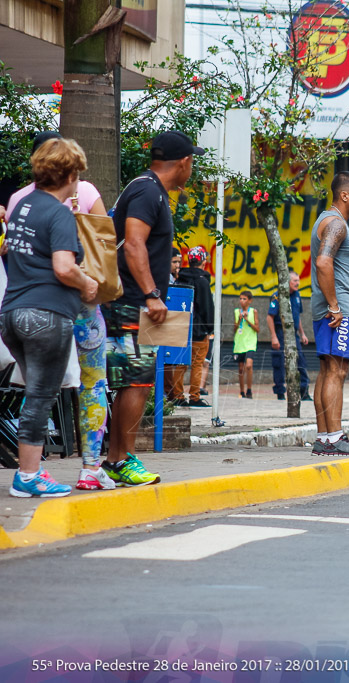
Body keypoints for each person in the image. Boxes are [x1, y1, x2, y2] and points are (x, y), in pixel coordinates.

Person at [7, 132, 115, 491]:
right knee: (69, 387)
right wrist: (88, 285)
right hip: (50, 313)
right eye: (77, 175)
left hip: (13, 312)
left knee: (34, 393)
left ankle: (30, 471)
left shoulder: (20, 203)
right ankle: (37, 474)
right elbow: (66, 265)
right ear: (70, 176)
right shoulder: (61, 211)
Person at [105, 130, 202, 486]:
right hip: (132, 302)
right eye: (193, 162)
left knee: (132, 382)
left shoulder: (145, 187)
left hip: (128, 301)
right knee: (137, 382)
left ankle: (115, 460)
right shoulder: (148, 191)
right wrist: (150, 294)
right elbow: (133, 244)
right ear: (184, 162)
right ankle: (123, 459)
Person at [311, 171, 349, 456]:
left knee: (327, 370)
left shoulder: (328, 221)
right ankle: (335, 438)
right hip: (339, 309)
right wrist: (335, 305)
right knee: (337, 370)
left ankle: (324, 438)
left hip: (330, 307)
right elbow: (324, 263)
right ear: (344, 195)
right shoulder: (336, 224)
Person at [174, 246, 214, 408]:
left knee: (179, 363)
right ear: (203, 262)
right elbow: (207, 307)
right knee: (197, 363)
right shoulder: (203, 282)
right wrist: (210, 328)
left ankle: (176, 395)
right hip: (198, 330)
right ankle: (195, 396)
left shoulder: (179, 279)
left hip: (180, 328)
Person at [268, 271, 311, 402]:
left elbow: (297, 317)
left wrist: (302, 333)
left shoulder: (297, 296)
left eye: (298, 281)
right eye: (294, 281)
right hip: (281, 332)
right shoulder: (277, 296)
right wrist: (273, 336)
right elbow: (270, 317)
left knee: (301, 361)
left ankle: (304, 392)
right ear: (287, 281)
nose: (297, 283)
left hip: (294, 333)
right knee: (279, 362)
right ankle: (280, 392)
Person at [164, 247, 189, 405]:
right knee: (167, 361)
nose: (177, 265)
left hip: (175, 322)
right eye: (174, 262)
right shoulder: (165, 279)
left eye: (179, 262)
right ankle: (169, 392)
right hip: (166, 323)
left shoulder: (176, 279)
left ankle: (171, 392)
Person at [233, 290, 259, 398]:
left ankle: (249, 389)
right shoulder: (236, 312)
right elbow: (234, 329)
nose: (242, 301)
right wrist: (239, 319)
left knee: (249, 365)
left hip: (250, 343)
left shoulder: (254, 312)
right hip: (239, 343)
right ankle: (242, 390)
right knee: (240, 368)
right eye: (240, 298)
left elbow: (257, 329)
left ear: (250, 301)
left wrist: (247, 319)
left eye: (244, 299)